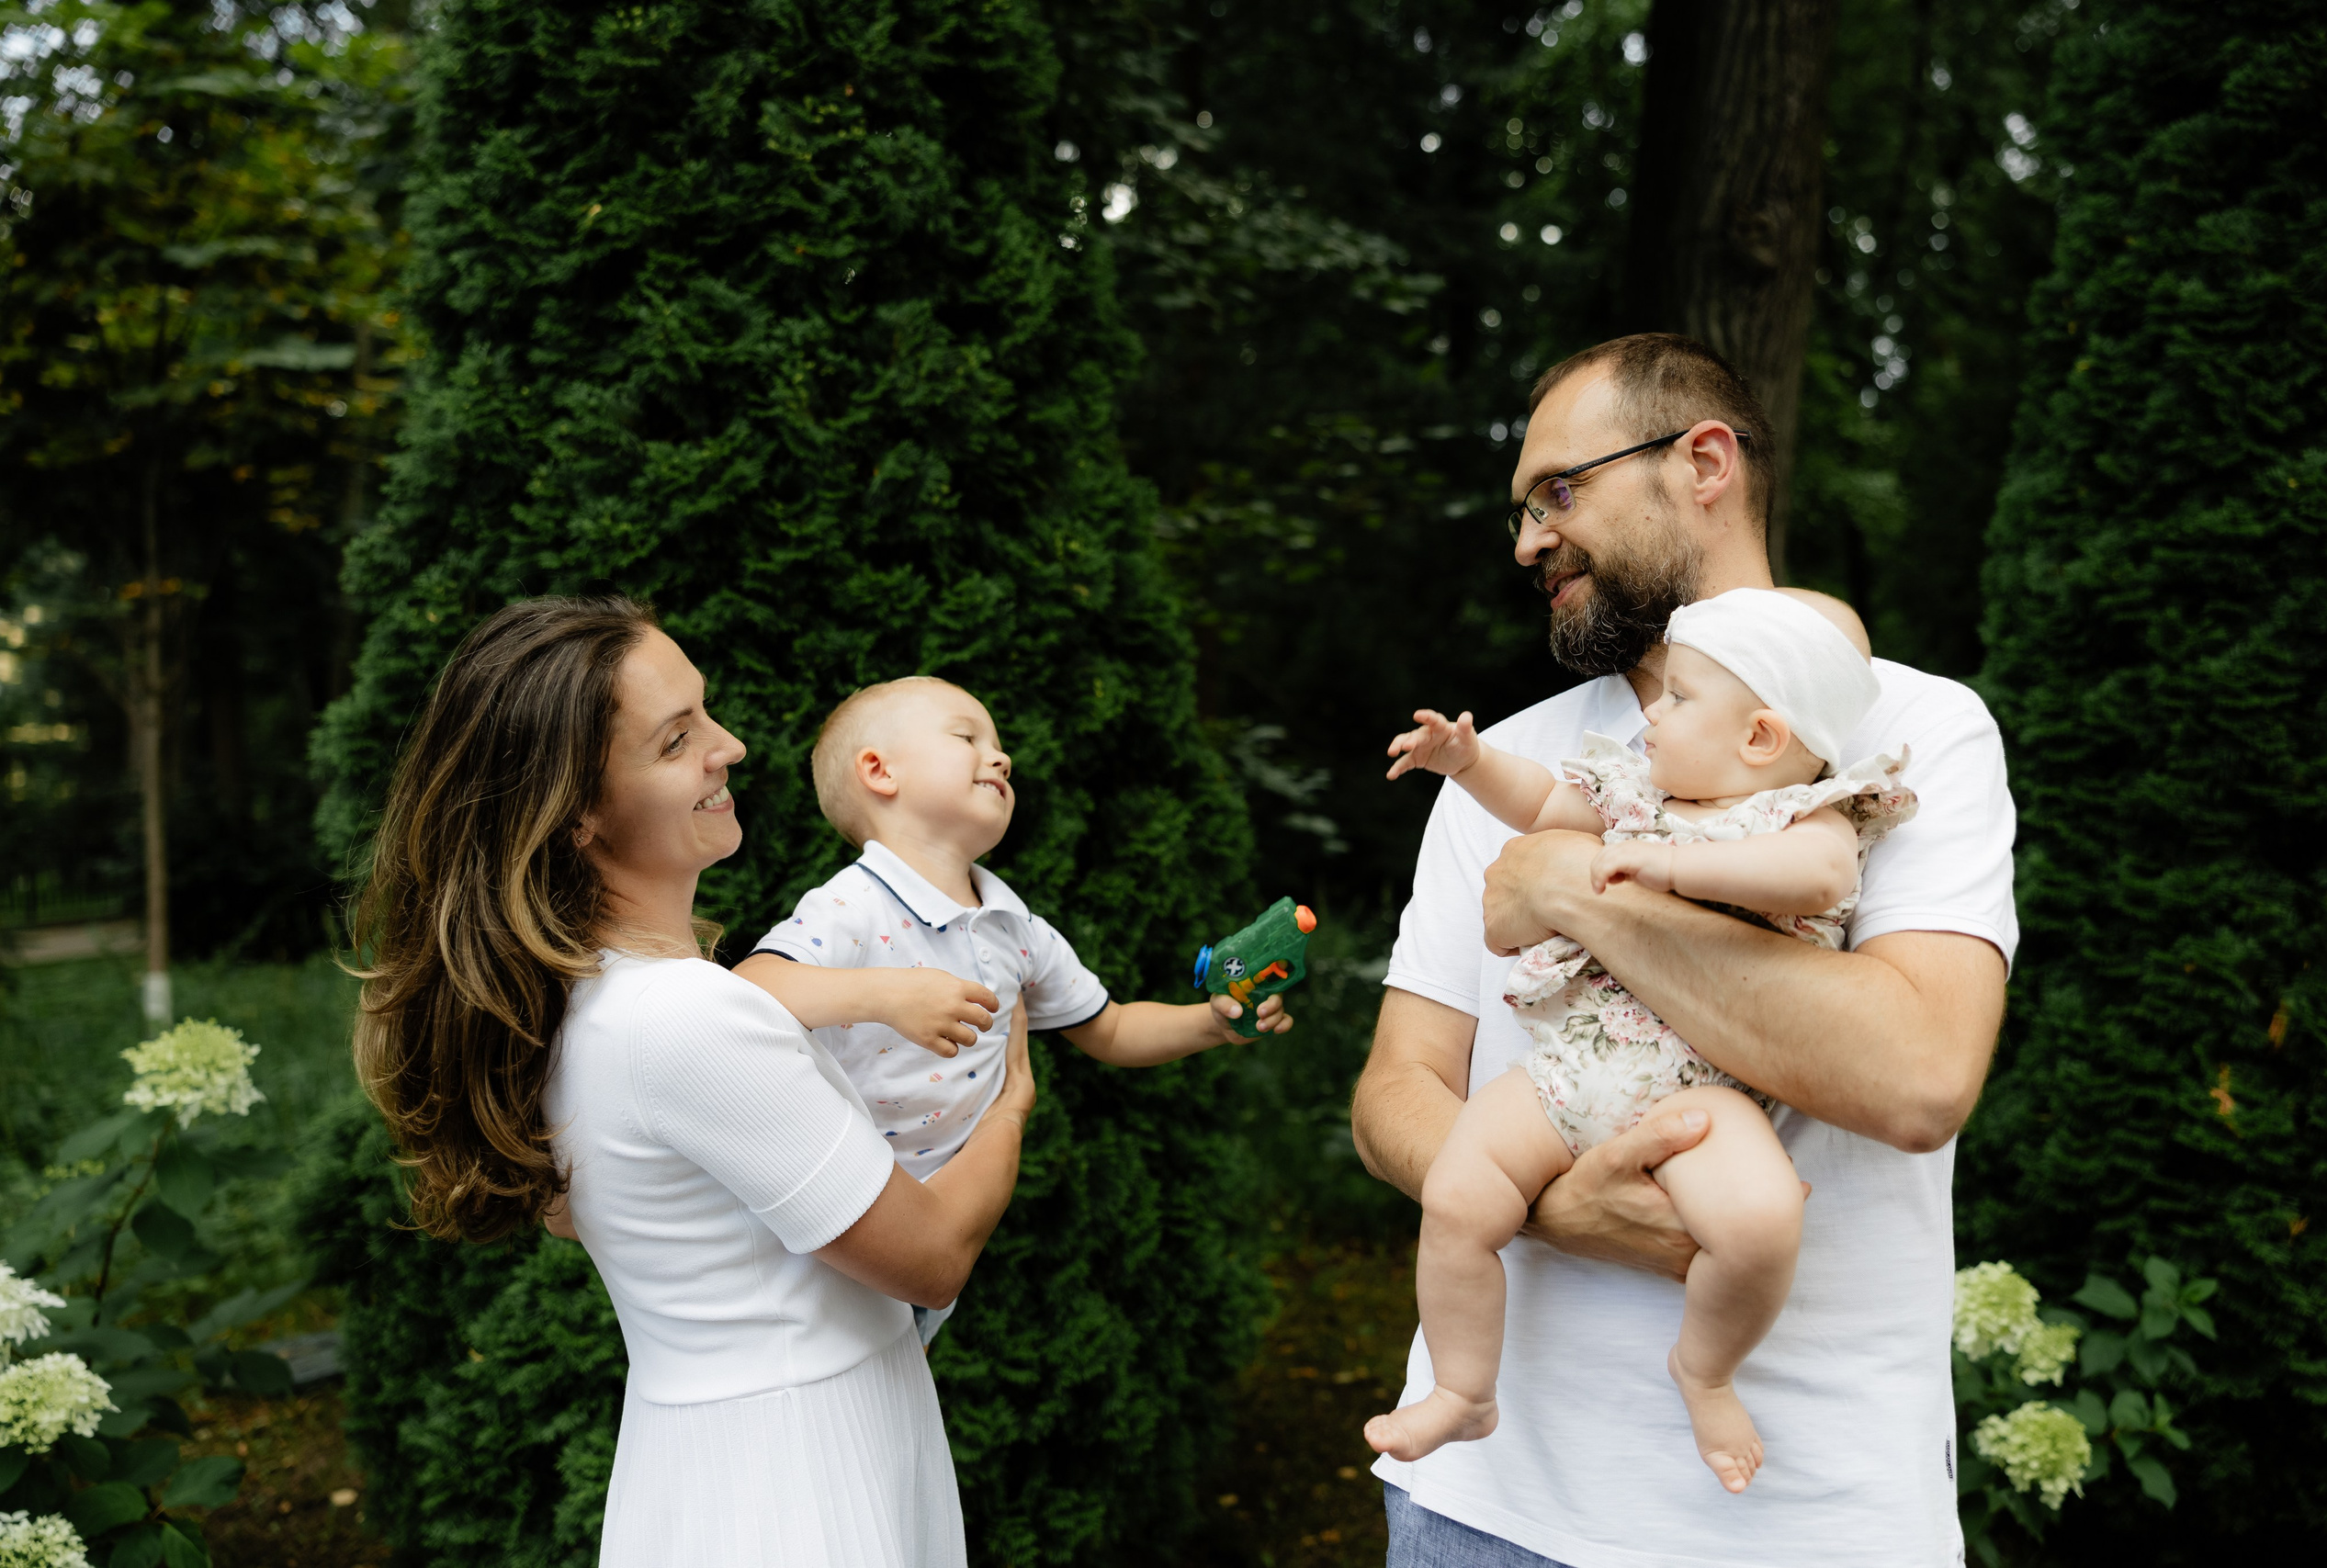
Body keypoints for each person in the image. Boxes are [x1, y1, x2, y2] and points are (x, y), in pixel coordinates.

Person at [1354, 334, 2015, 1567]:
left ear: (1704, 461)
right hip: (1479, 1509)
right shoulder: (1515, 773)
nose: (1527, 541)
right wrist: (1555, 1206)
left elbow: (1918, 1074)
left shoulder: (1910, 734)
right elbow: (1395, 1091)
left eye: (1559, 490)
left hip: (1807, 1518)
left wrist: (1588, 893)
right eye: (1520, 510)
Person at [353, 597, 1014, 1568]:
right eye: (677, 739)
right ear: (578, 814)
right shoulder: (684, 1020)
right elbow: (931, 1257)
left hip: (720, 1460)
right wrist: (1012, 1102)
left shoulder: (579, 1006)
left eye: (705, 712)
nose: (731, 746)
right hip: (796, 1490)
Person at [1369, 588, 1914, 1493]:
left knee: (1760, 1221)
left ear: (1760, 738)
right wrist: (1469, 763)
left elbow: (1815, 880)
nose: (1649, 714)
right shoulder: (1631, 797)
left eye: (1678, 698)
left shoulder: (1807, 818)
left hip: (1706, 1095)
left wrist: (1672, 864)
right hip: (1574, 1067)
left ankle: (1703, 1369)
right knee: (1460, 1193)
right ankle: (1464, 1387)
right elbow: (1541, 801)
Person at [734, 676, 1291, 1344]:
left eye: (999, 746)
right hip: (832, 1221)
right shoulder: (853, 904)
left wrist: (1210, 1022)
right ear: (880, 771)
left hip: (937, 1226)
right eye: (967, 737)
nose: (1001, 757)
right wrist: (885, 993)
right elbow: (753, 986)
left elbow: (1110, 1027)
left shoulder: (1015, 927)